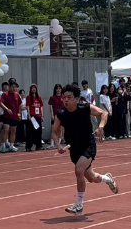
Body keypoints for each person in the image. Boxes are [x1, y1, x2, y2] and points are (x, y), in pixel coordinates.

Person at [50, 83, 119, 214]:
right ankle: (107, 178)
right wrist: (58, 146)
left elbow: (103, 113)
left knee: (79, 170)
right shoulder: (61, 113)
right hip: (74, 148)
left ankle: (79, 204)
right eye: (64, 97)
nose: (65, 100)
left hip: (88, 145)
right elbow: (54, 131)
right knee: (92, 178)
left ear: (76, 99)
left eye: (69, 97)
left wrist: (100, 127)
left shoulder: (85, 108)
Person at [24, 84, 44, 151]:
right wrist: (29, 115)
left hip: (38, 115)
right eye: (32, 88)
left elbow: (41, 106)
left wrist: (42, 115)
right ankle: (28, 146)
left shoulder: (39, 97)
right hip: (32, 116)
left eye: (34, 88)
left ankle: (38, 145)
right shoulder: (29, 97)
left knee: (39, 131)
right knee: (30, 131)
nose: (33, 89)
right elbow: (27, 106)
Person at [47, 83, 64, 149]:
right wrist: (52, 115)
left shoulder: (63, 97)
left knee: (60, 129)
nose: (58, 90)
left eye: (59, 88)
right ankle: (52, 143)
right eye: (57, 88)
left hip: (61, 115)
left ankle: (58, 143)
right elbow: (51, 106)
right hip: (55, 114)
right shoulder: (52, 97)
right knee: (53, 129)